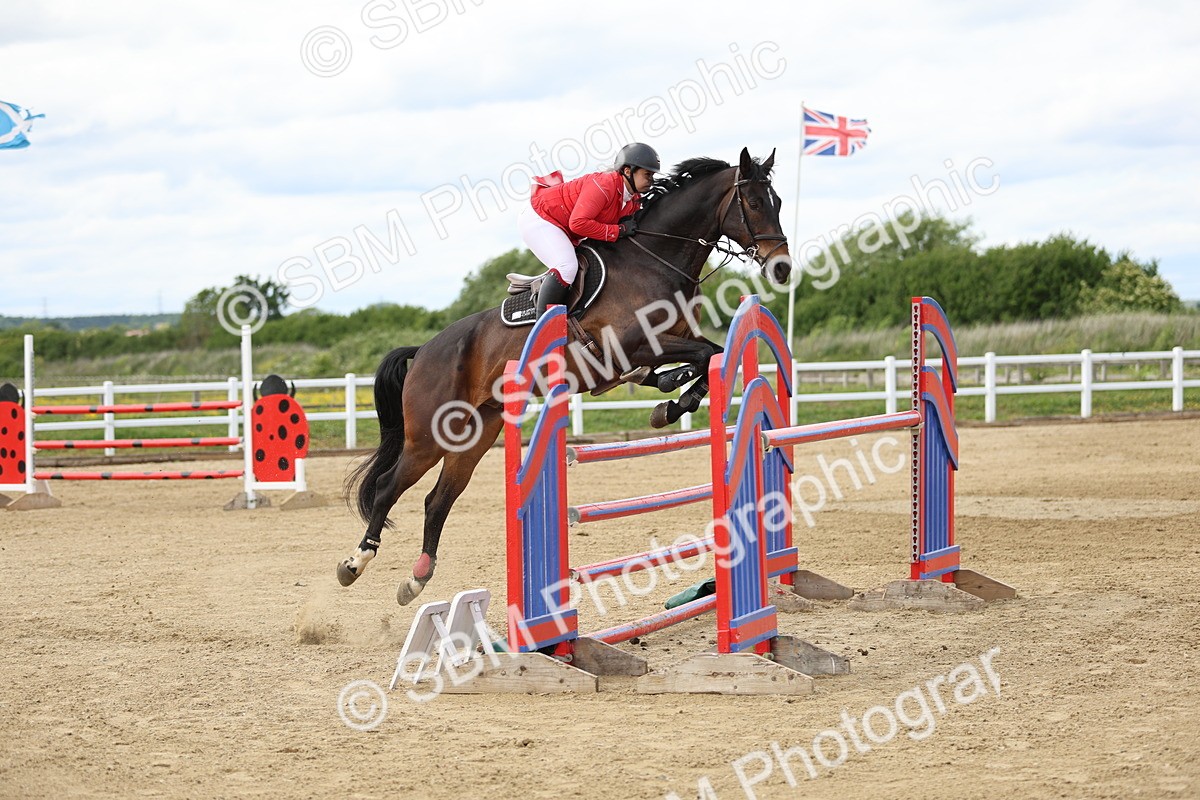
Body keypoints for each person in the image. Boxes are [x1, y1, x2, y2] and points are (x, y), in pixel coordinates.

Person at [519, 142, 661, 315]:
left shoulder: (632, 199)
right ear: (627, 171)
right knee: (566, 266)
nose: (651, 181)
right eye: (647, 174)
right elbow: (578, 223)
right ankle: (542, 330)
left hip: (565, 227)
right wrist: (618, 231)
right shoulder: (605, 184)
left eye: (652, 175)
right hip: (540, 218)